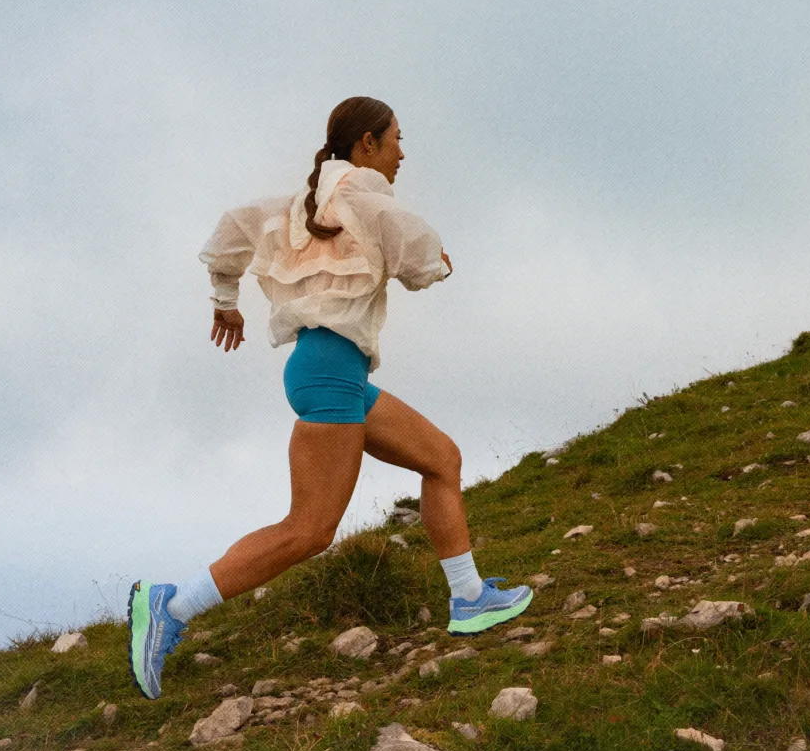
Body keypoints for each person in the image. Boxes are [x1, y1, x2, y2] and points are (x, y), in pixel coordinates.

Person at [127, 96, 533, 700]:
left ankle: (470, 597)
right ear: (367, 144)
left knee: (441, 459)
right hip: (331, 376)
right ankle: (172, 606)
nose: (402, 153)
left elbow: (229, 231)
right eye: (396, 139)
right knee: (310, 530)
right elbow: (421, 261)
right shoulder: (369, 201)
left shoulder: (297, 206)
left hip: (331, 372)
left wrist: (225, 302)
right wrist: (439, 266)